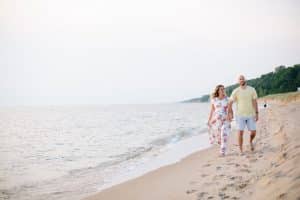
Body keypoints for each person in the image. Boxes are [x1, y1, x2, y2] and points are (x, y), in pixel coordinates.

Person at [228, 75, 258, 154]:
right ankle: (241, 150)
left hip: (251, 114)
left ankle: (250, 141)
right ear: (238, 81)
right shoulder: (236, 91)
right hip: (240, 115)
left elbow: (255, 101)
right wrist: (230, 113)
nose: (241, 80)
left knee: (253, 132)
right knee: (240, 132)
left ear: (245, 80)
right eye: (240, 79)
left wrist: (257, 113)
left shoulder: (252, 89)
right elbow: (230, 102)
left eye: (242, 78)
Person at [207, 84, 232, 156]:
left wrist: (230, 116)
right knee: (219, 138)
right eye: (221, 89)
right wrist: (209, 120)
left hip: (225, 119)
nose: (223, 90)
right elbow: (212, 110)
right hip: (217, 120)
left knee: (223, 133)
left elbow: (230, 109)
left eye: (224, 89)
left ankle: (222, 151)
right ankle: (223, 146)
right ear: (218, 91)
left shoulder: (227, 99)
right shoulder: (214, 100)